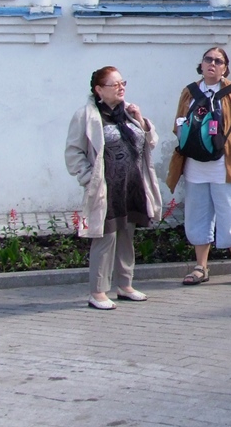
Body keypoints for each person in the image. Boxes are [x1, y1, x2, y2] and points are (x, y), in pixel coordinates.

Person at [65, 67, 163, 310]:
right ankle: (98, 291)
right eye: (114, 84)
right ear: (99, 90)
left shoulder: (128, 112)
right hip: (106, 187)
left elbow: (151, 142)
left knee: (127, 234)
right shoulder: (87, 116)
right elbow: (73, 152)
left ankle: (125, 285)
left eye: (123, 83)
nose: (121, 88)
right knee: (105, 236)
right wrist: (89, 178)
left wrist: (140, 119)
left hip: (132, 185)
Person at [166, 47, 231, 288]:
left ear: (225, 68)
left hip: (225, 165)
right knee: (197, 215)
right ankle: (200, 267)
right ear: (201, 64)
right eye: (208, 59)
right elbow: (178, 123)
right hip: (195, 165)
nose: (212, 64)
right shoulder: (189, 92)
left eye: (218, 61)